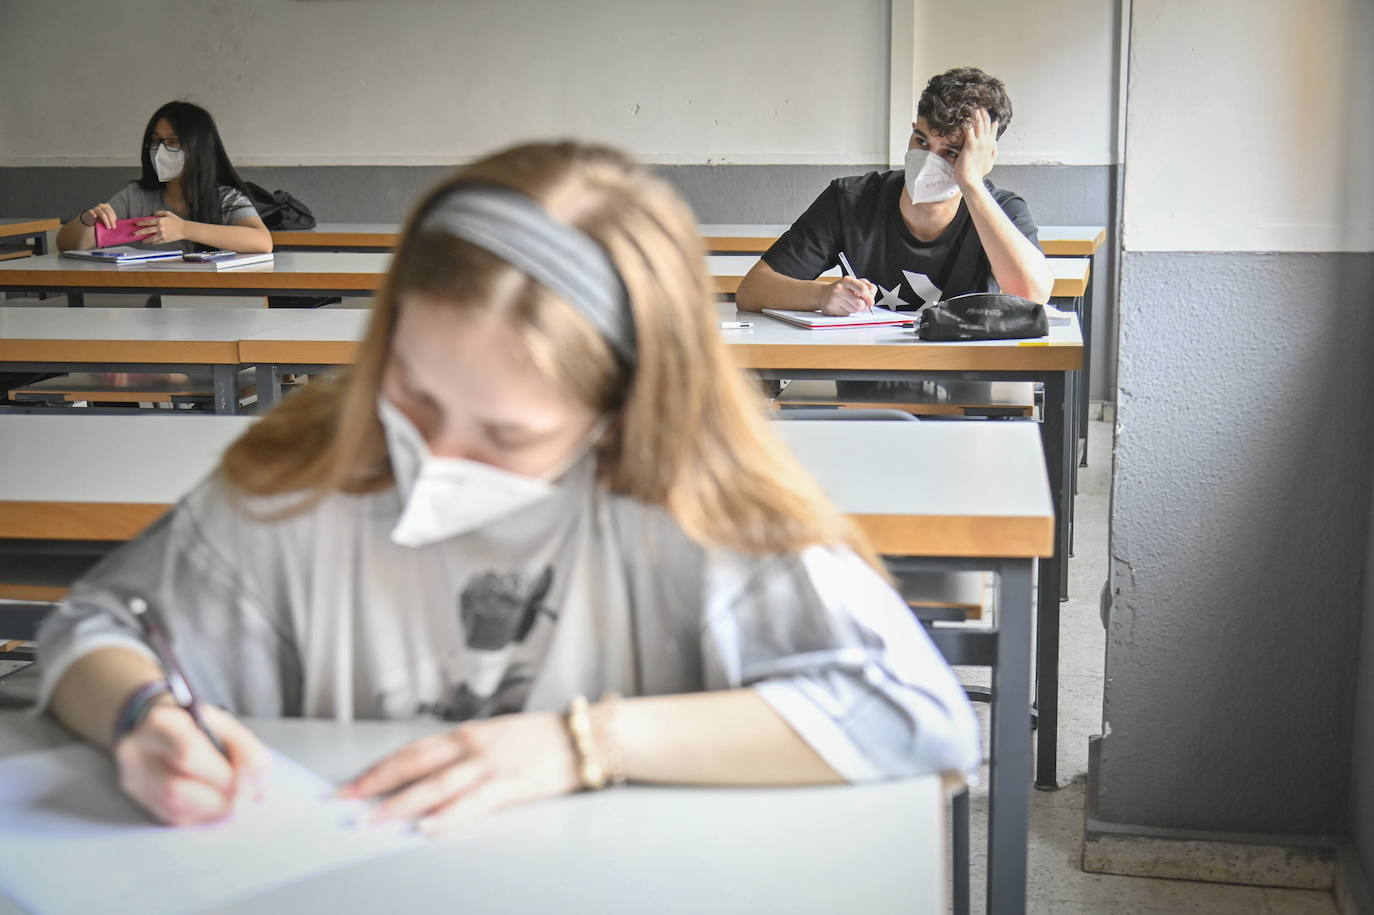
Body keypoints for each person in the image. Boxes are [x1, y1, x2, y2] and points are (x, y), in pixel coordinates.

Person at [38, 141, 978, 833]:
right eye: (413, 392)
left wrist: (584, 743)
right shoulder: (315, 469)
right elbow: (94, 630)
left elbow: (918, 717)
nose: (432, 454)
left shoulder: (684, 501)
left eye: (506, 434)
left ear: (618, 411)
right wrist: (142, 716)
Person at [736, 67, 1052, 315]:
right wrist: (820, 295)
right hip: (865, 380)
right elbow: (752, 290)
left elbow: (1031, 295)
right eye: (922, 140)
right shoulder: (851, 200)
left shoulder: (1002, 210)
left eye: (951, 153)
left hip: (965, 380)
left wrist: (971, 183)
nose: (929, 161)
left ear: (981, 157)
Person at [55, 100, 272, 254]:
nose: (160, 151)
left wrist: (184, 229)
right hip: (157, 304)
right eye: (155, 141)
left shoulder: (225, 198)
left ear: (198, 149)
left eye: (172, 142)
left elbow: (262, 241)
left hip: (212, 304)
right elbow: (66, 244)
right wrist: (85, 221)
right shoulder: (136, 196)